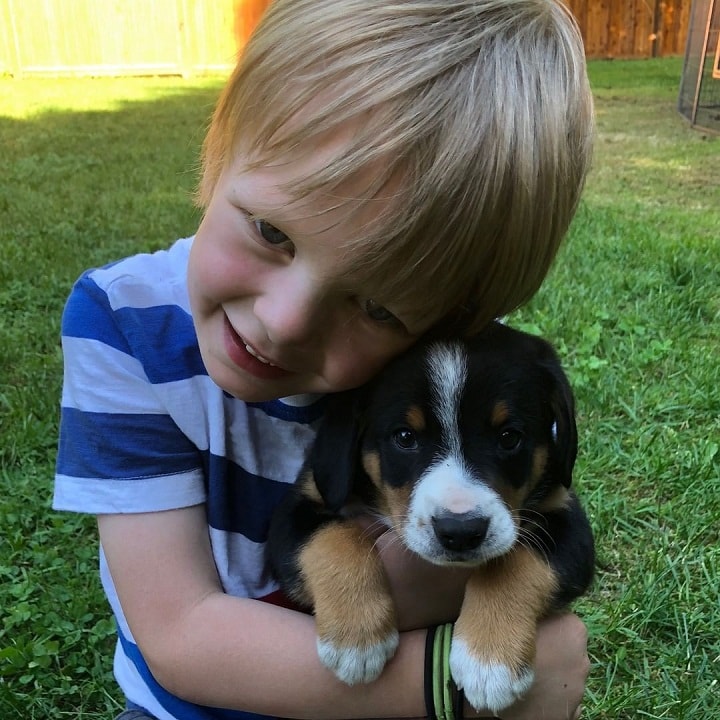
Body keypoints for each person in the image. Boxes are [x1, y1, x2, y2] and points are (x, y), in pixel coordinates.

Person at [53, 1, 594, 719]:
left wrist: (506, 588)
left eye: (376, 307)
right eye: (271, 230)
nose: (283, 323)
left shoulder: (439, 363)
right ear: (218, 155)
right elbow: (180, 638)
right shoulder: (122, 326)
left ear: (452, 317)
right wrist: (444, 686)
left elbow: (556, 524)